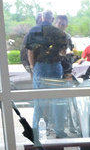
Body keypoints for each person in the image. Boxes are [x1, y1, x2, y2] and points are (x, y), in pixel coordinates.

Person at [23, 9, 71, 139]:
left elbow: (30, 52)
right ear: (52, 19)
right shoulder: (59, 32)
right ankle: (60, 131)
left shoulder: (34, 31)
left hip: (40, 66)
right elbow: (63, 52)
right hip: (55, 66)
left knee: (39, 101)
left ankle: (36, 132)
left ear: (42, 17)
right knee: (58, 100)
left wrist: (33, 68)